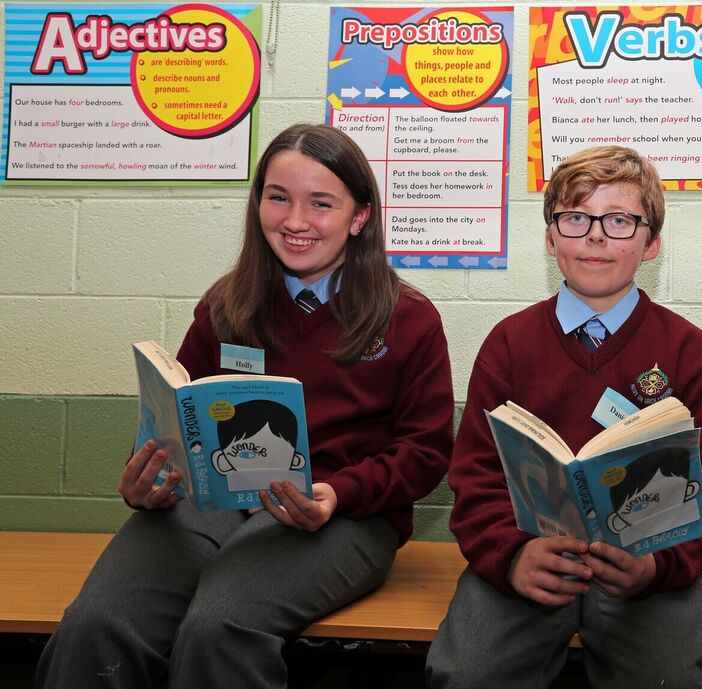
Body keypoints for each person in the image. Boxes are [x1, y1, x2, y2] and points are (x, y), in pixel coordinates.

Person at [37, 124, 455, 689]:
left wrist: (342, 494)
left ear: (359, 218)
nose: (295, 220)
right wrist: (148, 474)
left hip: (342, 516)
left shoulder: (408, 318)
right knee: (97, 622)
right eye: (277, 197)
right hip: (211, 503)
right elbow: (175, 414)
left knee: (219, 626)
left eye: (321, 203)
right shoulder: (226, 304)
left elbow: (426, 453)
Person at [426, 145, 702, 688]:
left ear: (651, 243)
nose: (596, 236)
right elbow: (475, 478)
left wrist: (657, 567)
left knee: (671, 678)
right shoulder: (509, 344)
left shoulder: (689, 350)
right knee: (467, 674)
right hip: (528, 557)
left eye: (619, 220)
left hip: (648, 568)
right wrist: (512, 556)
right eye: (576, 218)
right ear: (551, 239)